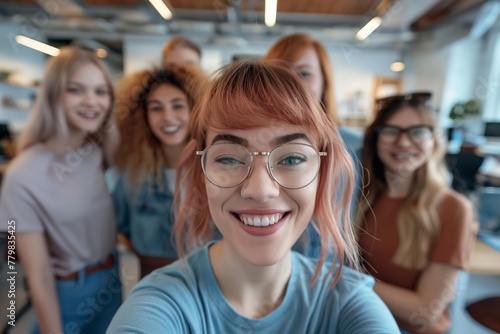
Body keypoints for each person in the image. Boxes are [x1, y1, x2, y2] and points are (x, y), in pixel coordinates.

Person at [107, 59, 399, 333]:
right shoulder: (160, 304)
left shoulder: (349, 302)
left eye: (292, 158)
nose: (260, 191)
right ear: (202, 173)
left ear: (322, 174)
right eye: (229, 159)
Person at [0, 47, 121, 334]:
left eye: (100, 91)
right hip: (66, 291)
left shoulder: (96, 150)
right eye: (76, 90)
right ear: (54, 95)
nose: (92, 102)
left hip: (111, 279)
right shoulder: (23, 175)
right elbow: (38, 275)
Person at [355, 92, 476, 334]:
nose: (403, 142)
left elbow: (425, 312)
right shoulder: (363, 197)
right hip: (365, 318)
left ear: (434, 140)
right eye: (391, 131)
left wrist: (350, 280)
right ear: (375, 139)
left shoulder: (454, 209)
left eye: (418, 131)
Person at [262, 32, 363, 257]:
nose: (291, 83)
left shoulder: (355, 146)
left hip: (334, 269)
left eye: (304, 73)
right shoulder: (251, 145)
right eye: (280, 73)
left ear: (324, 82)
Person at [111, 65, 206, 277]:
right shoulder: (132, 175)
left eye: (178, 105)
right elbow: (121, 227)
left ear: (194, 109)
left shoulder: (215, 169)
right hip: (154, 282)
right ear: (142, 116)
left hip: (211, 281)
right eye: (156, 108)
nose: (168, 117)